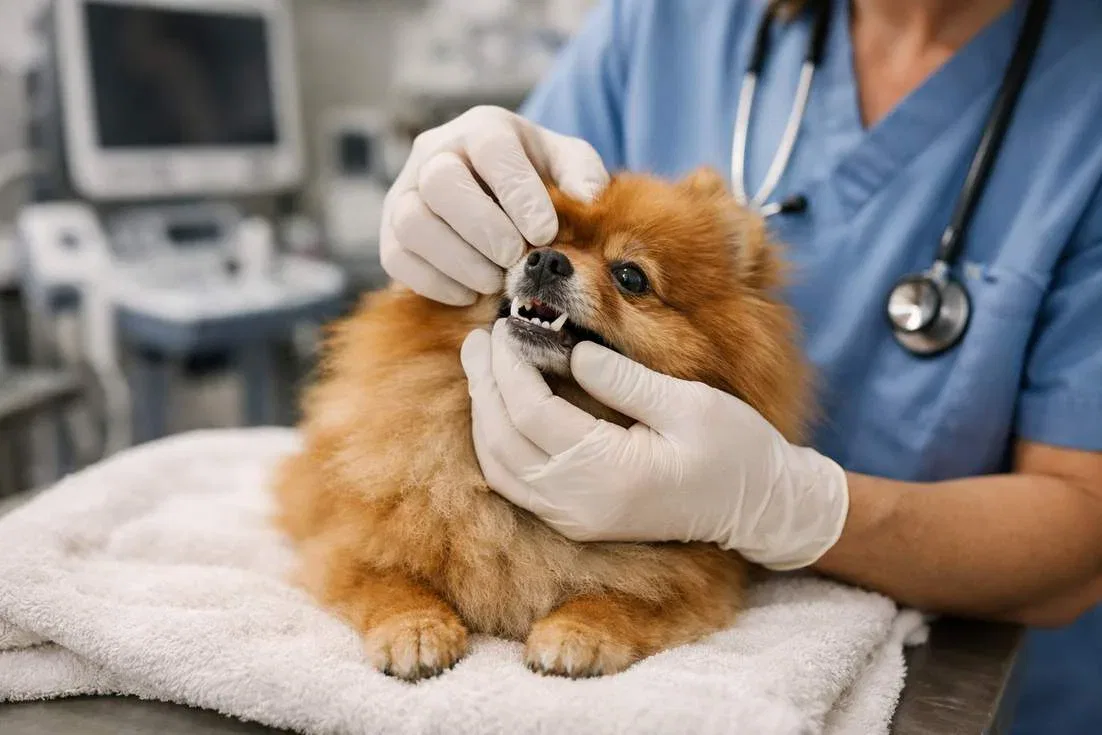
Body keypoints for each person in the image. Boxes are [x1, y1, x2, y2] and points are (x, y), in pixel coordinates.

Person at [378, 0, 1102, 731]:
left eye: (629, 276)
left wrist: (792, 506)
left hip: (972, 681)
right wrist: (452, 202)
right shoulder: (668, 23)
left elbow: (1088, 520)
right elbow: (513, 232)